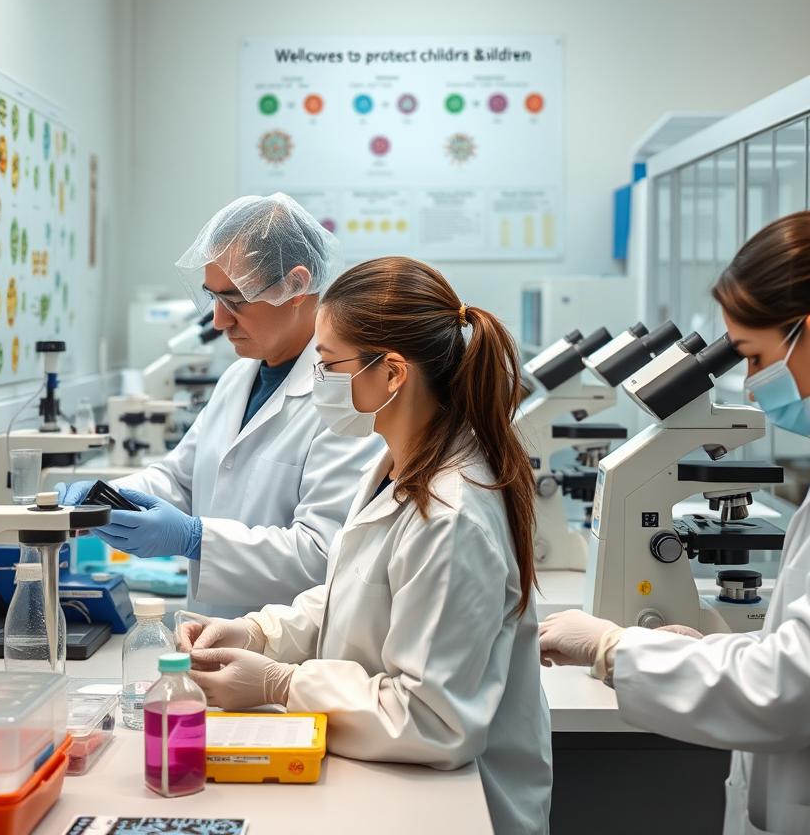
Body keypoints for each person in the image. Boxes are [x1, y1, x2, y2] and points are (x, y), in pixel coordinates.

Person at [539, 207, 810, 835]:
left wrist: (618, 649)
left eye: (753, 357)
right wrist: (714, 650)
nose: (748, 386)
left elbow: (801, 684)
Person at [179, 257, 552, 835]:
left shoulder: (452, 514)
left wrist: (281, 683)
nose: (317, 382)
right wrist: (260, 633)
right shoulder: (396, 465)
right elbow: (352, 597)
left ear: (393, 372)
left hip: (451, 806)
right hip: (387, 781)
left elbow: (432, 720)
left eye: (328, 365)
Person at [57, 194, 382, 617]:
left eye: (236, 301)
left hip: (289, 660)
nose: (218, 321)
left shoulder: (348, 395)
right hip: (210, 635)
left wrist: (194, 538)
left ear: (297, 285)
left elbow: (322, 553)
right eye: (214, 298)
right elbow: (181, 478)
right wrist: (107, 500)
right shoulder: (239, 377)